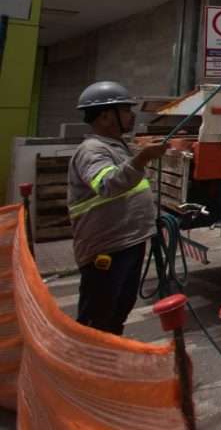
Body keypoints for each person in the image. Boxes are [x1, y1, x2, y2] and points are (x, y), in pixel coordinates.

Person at [67, 81, 168, 334]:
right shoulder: (92, 150)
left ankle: (110, 354)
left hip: (127, 243)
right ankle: (90, 357)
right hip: (108, 248)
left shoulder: (117, 146)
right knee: (98, 317)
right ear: (105, 116)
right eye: (125, 110)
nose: (131, 115)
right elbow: (107, 184)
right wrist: (142, 158)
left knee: (118, 311)